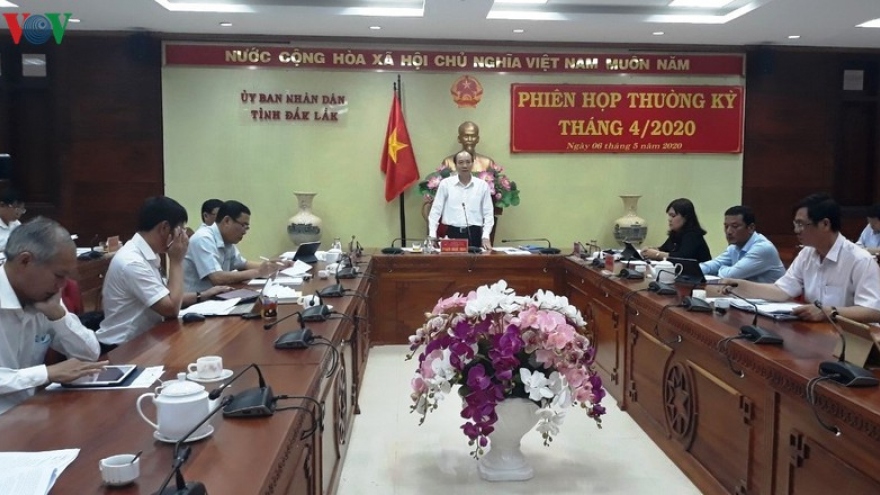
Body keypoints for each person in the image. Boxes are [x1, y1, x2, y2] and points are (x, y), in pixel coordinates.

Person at [721, 193, 880, 323]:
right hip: (818, 332)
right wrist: (740, 285)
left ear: (825, 224)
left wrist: (828, 312)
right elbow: (782, 291)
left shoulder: (860, 260)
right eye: (795, 224)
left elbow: (873, 311)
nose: (796, 230)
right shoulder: (806, 254)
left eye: (801, 224)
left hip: (854, 341)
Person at [0, 217, 105, 415]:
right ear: (25, 261)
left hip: (28, 413)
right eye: (59, 276)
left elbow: (89, 354)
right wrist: (46, 373)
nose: (63, 286)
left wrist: (58, 316)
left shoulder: (44, 298)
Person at [97, 197, 232, 347]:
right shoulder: (132, 262)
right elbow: (171, 309)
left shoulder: (147, 253)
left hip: (147, 338)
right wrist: (176, 261)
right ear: (164, 228)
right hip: (123, 347)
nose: (183, 236)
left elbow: (164, 297)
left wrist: (203, 295)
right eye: (180, 230)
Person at [183, 200, 287, 292]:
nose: (244, 232)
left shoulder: (226, 240)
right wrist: (258, 272)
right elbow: (217, 278)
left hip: (217, 296)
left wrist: (276, 266)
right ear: (227, 221)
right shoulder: (203, 238)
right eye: (243, 225)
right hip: (197, 302)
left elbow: (243, 264)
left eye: (247, 227)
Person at [700, 205, 786, 283]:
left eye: (735, 226)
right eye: (726, 226)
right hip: (750, 294)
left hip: (771, 295)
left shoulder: (763, 248)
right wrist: (696, 270)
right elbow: (715, 264)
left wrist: (719, 269)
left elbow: (730, 276)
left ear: (751, 228)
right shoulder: (734, 247)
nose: (728, 232)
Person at [428, 150, 494, 250]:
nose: (464, 165)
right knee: (452, 260)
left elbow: (488, 213)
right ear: (455, 165)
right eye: (461, 162)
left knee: (476, 259)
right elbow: (436, 210)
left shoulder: (482, 185)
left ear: (473, 163)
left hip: (474, 233)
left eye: (468, 162)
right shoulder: (446, 184)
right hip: (451, 233)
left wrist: (485, 236)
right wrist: (432, 235)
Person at [642, 198, 711, 262]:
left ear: (686, 217)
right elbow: (663, 249)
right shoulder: (675, 234)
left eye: (673, 216)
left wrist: (657, 254)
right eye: (669, 215)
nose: (669, 219)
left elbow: (682, 258)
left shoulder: (693, 235)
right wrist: (651, 250)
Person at [0, 188, 25, 254]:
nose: (18, 213)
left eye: (22, 210)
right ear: (2, 205)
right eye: (16, 209)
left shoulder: (16, 224)